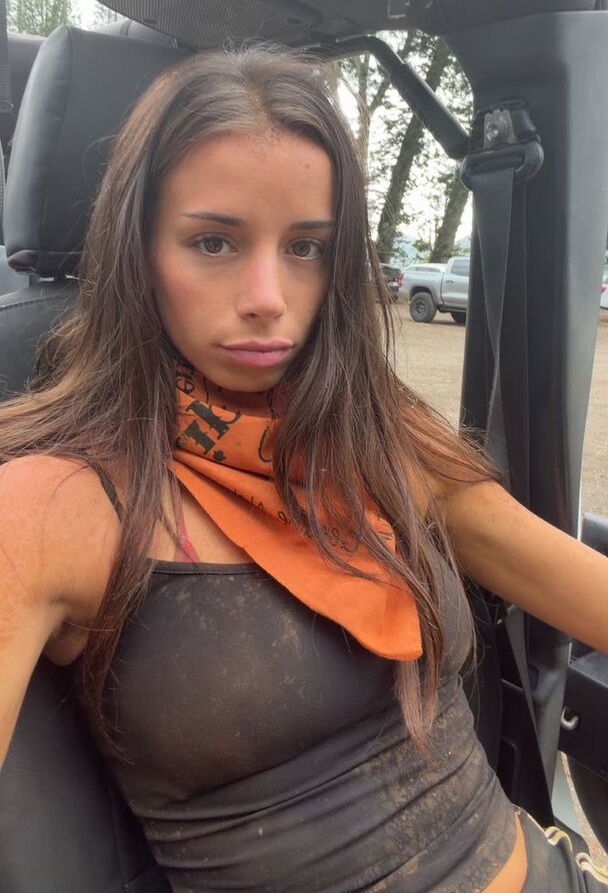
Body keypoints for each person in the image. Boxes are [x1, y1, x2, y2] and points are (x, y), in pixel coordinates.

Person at [0, 45, 607, 893]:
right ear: (137, 251)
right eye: (213, 241)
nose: (267, 297)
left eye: (306, 248)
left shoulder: (374, 431)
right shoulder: (51, 503)